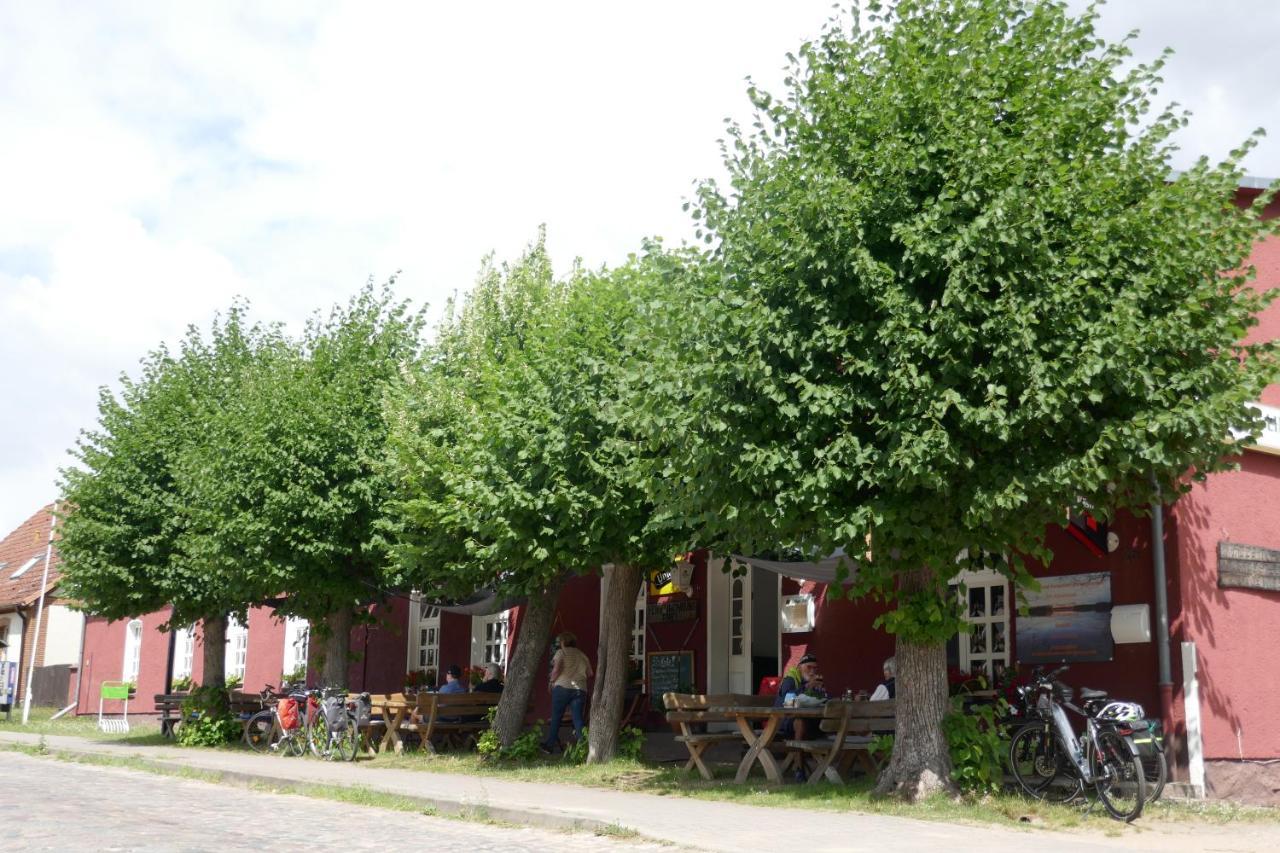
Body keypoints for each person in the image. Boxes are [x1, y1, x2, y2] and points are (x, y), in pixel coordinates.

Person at [541, 631, 592, 754]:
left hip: (562, 688)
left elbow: (557, 668)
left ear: (563, 642)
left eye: (560, 641)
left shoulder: (561, 652)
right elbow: (590, 673)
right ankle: (584, 746)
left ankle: (549, 745)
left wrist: (551, 681)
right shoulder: (582, 655)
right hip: (580, 689)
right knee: (578, 718)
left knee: (556, 717)